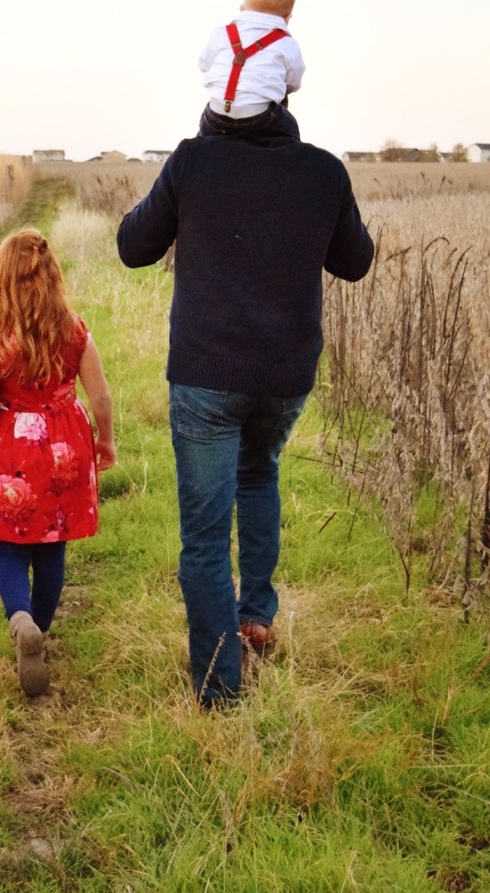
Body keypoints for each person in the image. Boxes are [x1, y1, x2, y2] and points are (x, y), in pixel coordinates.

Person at [116, 97, 374, 710]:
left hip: (207, 375)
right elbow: (356, 261)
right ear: (283, 101)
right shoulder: (323, 170)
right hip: (285, 376)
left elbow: (132, 246)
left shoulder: (191, 163)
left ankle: (220, 687)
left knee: (204, 537)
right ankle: (255, 618)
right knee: (259, 473)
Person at [0, 229, 116, 696]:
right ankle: (39, 626)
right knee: (53, 545)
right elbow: (99, 395)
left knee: (11, 546)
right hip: (67, 449)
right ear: (52, 277)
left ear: (0, 278)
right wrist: (107, 442)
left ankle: (21, 622)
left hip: (15, 449)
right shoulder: (74, 329)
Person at [199, 0, 304, 130]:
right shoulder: (287, 43)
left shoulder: (221, 33)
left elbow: (204, 65)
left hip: (217, 116)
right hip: (259, 118)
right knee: (288, 122)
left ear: (241, 9)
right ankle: (286, 147)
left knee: (209, 112)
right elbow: (293, 83)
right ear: (288, 18)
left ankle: (202, 144)